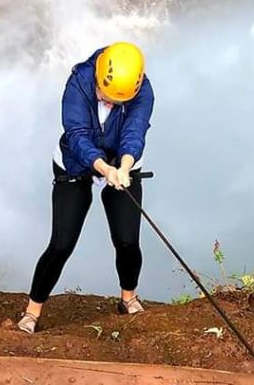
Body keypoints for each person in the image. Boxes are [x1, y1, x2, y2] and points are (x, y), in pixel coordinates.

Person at [17, 42, 154, 334]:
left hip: (123, 162)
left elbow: (135, 130)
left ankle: (128, 298)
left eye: (117, 101)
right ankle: (33, 311)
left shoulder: (142, 90)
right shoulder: (79, 82)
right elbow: (77, 134)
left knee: (128, 240)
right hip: (75, 163)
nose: (108, 103)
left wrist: (125, 167)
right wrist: (104, 169)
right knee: (62, 243)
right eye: (104, 97)